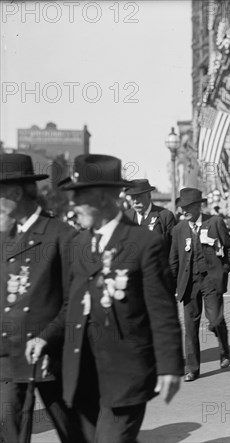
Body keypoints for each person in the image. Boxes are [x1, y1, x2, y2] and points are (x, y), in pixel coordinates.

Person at [25, 154, 184, 443]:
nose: (72, 204)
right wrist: (45, 338)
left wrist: (171, 366)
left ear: (104, 197)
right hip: (81, 374)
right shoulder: (80, 243)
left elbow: (162, 313)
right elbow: (70, 307)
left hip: (125, 375)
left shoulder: (144, 243)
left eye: (80, 196)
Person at [0, 153, 81, 442]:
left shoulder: (62, 235)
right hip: (8, 355)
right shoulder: (2, 236)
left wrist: (48, 338)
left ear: (15, 192)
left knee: (74, 430)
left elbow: (77, 301)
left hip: (51, 354)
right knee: (8, 428)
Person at [170, 188, 230, 382]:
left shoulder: (215, 222)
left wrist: (224, 269)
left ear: (199, 205)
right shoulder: (179, 229)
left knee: (215, 320)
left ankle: (224, 349)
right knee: (190, 327)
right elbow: (174, 260)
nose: (184, 211)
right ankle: (192, 368)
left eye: (188, 207)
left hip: (211, 280)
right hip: (189, 283)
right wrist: (174, 285)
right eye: (182, 207)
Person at [124, 178, 177, 252]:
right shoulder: (126, 217)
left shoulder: (165, 216)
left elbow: (174, 249)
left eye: (139, 196)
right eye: (133, 197)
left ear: (148, 195)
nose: (136, 201)